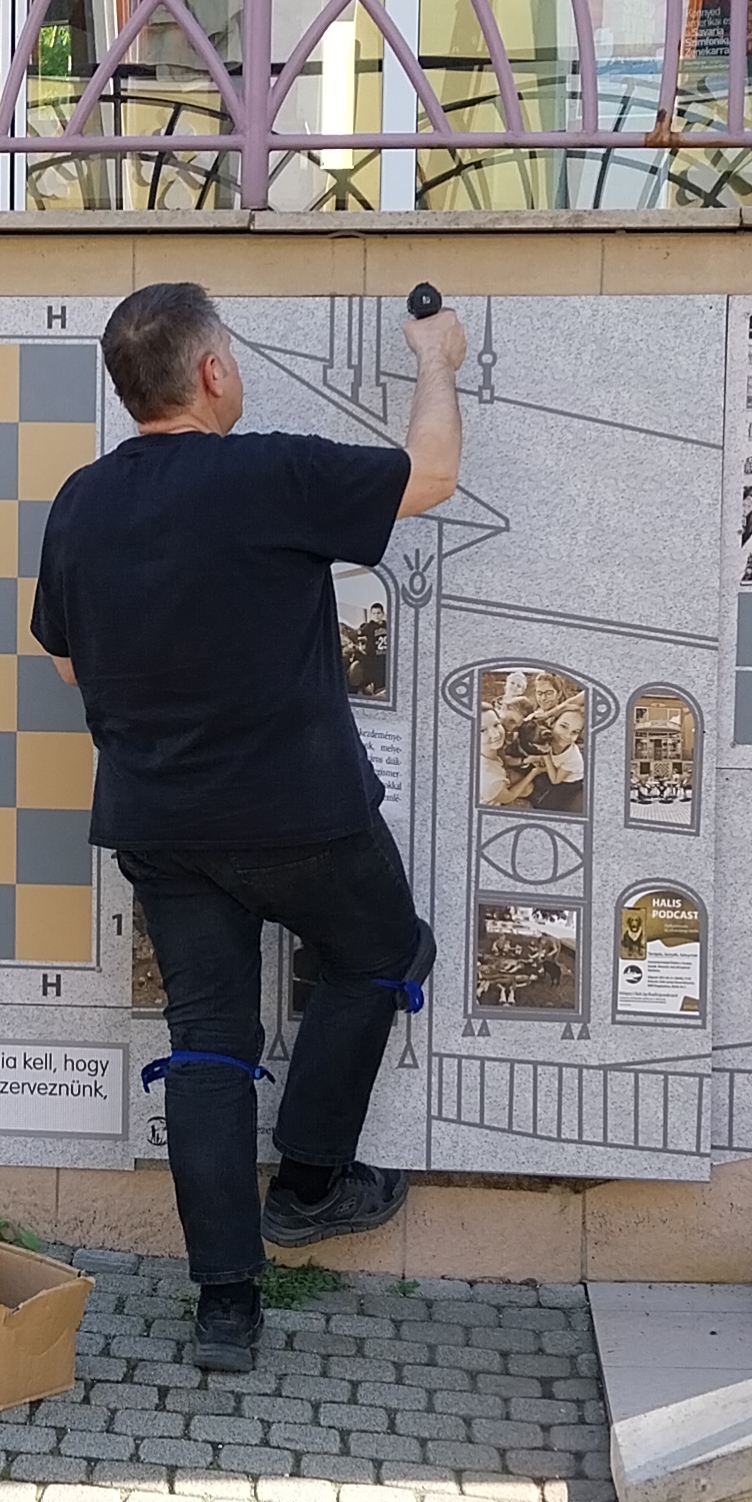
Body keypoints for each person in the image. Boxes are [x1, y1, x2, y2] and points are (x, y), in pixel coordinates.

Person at [30, 280, 467, 1373]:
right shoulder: (267, 473)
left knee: (207, 1043)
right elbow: (432, 476)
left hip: (158, 825)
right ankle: (310, 1186)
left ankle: (226, 1304)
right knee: (382, 952)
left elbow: (67, 659)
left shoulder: (81, 501)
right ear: (211, 371)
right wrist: (436, 359)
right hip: (302, 816)